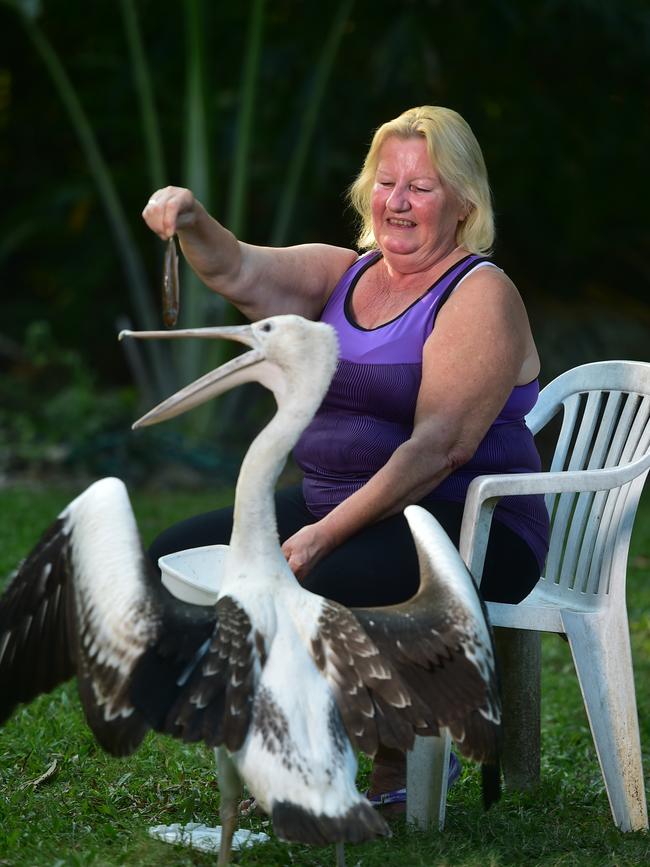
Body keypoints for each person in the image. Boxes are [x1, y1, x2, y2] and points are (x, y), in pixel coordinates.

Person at [142, 105, 550, 807]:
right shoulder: (344, 276)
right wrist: (191, 220)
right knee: (173, 561)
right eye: (386, 181)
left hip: (459, 530)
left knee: (294, 581)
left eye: (421, 187)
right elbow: (237, 268)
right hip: (333, 503)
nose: (397, 201)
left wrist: (322, 535)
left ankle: (401, 745)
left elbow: (438, 447)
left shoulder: (481, 293)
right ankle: (287, 747)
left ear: (463, 204)